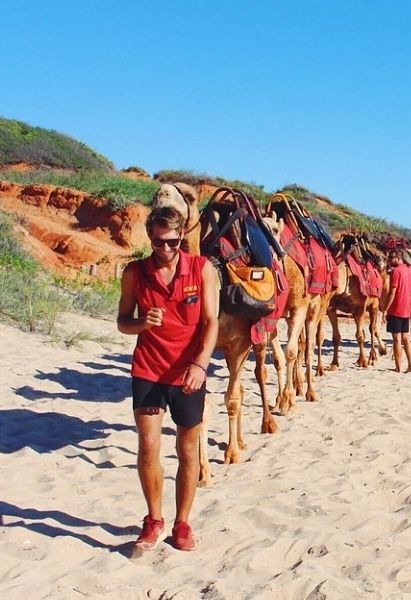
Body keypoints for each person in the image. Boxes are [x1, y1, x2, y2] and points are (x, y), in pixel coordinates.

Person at [117, 206, 219, 554]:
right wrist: (143, 323)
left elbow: (211, 323)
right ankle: (154, 519)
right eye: (159, 242)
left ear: (182, 238)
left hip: (188, 372)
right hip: (148, 370)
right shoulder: (135, 273)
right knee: (148, 446)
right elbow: (122, 321)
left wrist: (201, 365)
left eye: (173, 242)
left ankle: (183, 522)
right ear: (150, 237)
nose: (166, 249)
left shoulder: (201, 269)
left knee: (187, 448)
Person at [384, 250, 411, 372]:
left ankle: (398, 367)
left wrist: (385, 309)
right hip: (406, 309)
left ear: (399, 258)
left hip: (395, 309)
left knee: (397, 339)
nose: (389, 260)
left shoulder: (396, 271)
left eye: (391, 257)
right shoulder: (410, 271)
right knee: (406, 338)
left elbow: (392, 292)